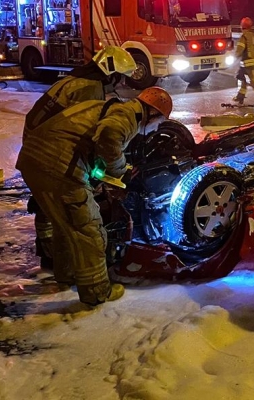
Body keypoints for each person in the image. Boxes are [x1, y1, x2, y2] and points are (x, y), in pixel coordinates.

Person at [16, 87, 173, 306]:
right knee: (89, 229)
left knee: (65, 225)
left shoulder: (112, 107)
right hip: (57, 167)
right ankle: (97, 292)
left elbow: (92, 142)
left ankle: (67, 276)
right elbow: (109, 134)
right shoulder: (128, 115)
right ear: (153, 113)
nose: (155, 128)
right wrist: (122, 171)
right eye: (159, 122)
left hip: (35, 160)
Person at [24, 46, 137, 277]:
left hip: (34, 143)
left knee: (47, 205)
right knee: (70, 210)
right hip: (49, 151)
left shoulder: (75, 79)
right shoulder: (89, 89)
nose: (121, 83)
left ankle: (51, 257)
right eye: (121, 77)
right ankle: (58, 259)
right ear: (111, 72)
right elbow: (84, 132)